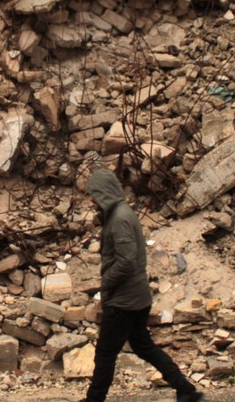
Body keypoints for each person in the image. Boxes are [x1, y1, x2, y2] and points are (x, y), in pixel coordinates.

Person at [82, 168, 203, 402]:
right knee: (143, 346)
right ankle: (186, 390)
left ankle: (94, 400)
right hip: (138, 297)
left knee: (105, 353)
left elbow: (126, 261)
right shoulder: (121, 213)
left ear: (104, 193)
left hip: (123, 300)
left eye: (94, 194)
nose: (92, 199)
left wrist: (106, 284)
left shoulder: (119, 219)